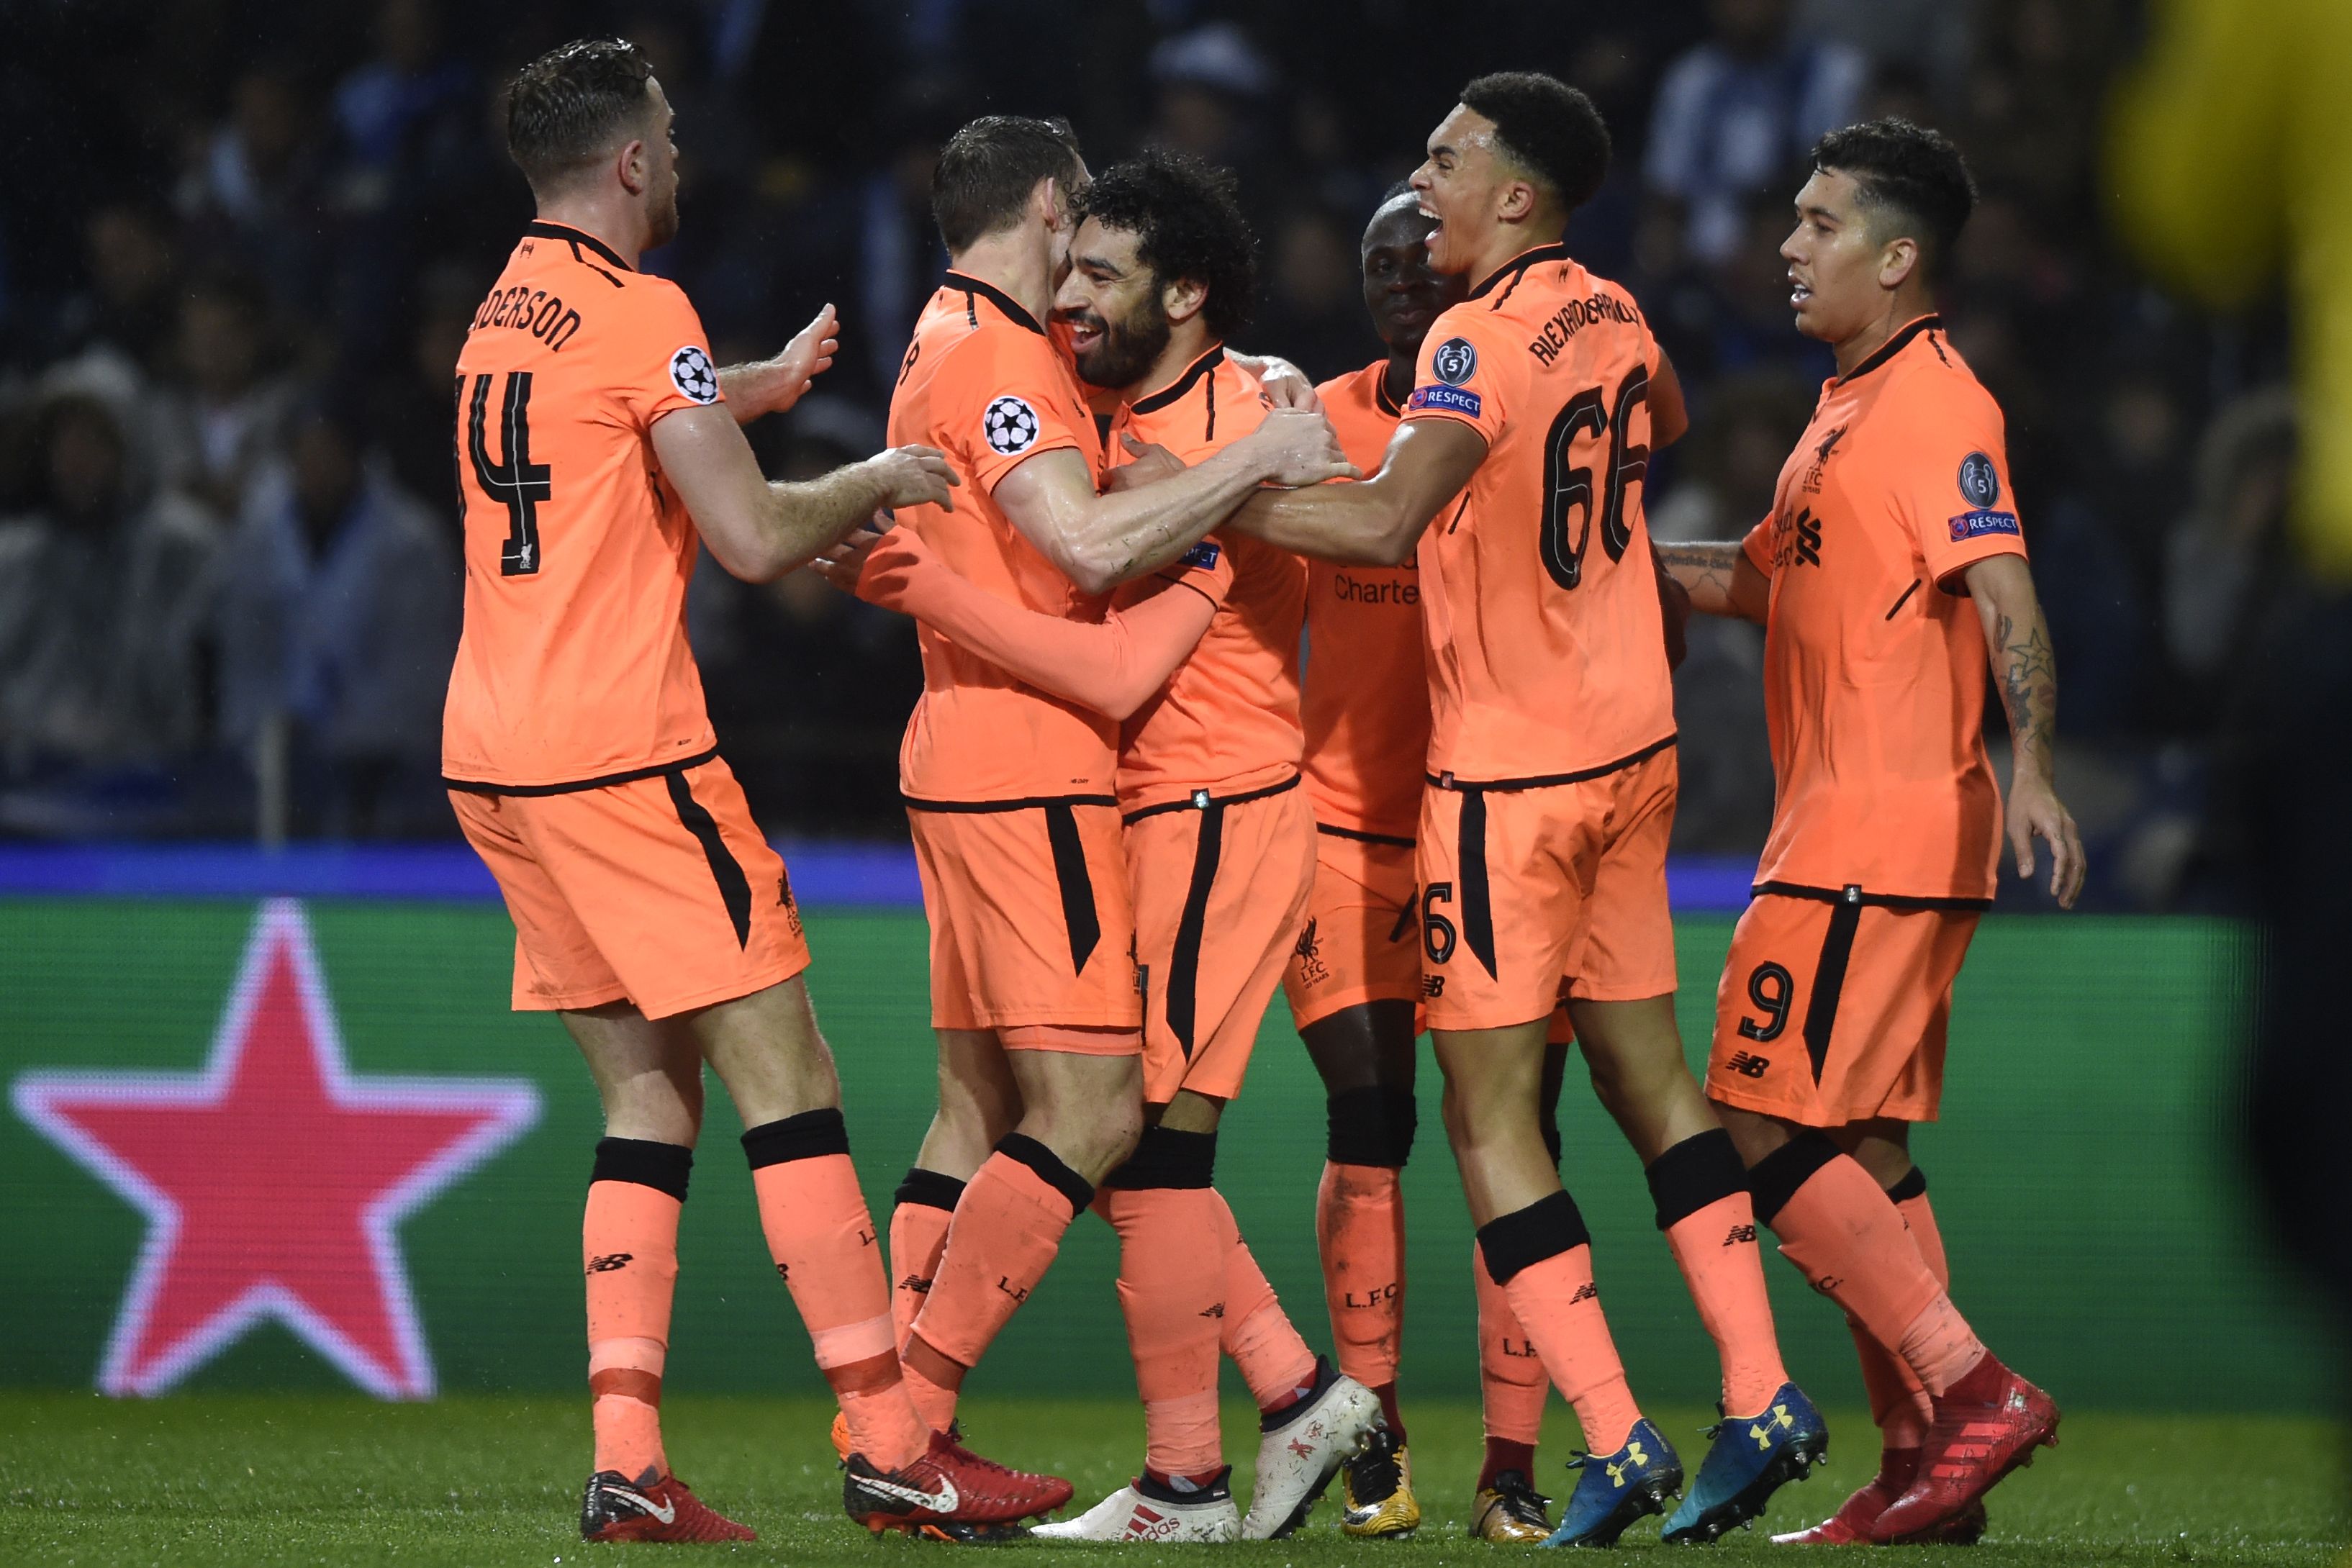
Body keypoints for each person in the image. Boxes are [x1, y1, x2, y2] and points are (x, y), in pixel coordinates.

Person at [438, 39, 1062, 1544]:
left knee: (646, 1102)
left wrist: (748, 385)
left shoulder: (502, 310)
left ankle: (625, 1457)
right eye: (667, 135)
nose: (682, 156)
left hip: (493, 754)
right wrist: (879, 468)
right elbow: (753, 541)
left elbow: (605, 434)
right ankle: (892, 1438)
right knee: (792, 1088)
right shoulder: (642, 308)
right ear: (633, 163)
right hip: (621, 751)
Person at [1224, 73, 1827, 1546]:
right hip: (1636, 750)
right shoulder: (1617, 314)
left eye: (1446, 156)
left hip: (1508, 774)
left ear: (1516, 194)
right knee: (1648, 1083)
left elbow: (1377, 518)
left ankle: (1612, 1436)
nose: (1419, 177)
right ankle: (1757, 1391)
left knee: (1488, 1115)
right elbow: (1650, 431)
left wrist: (1207, 494)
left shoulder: (1466, 342)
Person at [841, 115, 1352, 1478]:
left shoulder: (984, 349)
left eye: (1110, 275)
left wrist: (1275, 420)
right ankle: (925, 1430)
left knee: (1038, 1118)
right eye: (1082, 257)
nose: (1078, 295)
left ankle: (1254, 1420)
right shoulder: (1025, 366)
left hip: (1168, 793)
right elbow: (1083, 553)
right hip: (1047, 776)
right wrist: (1249, 473)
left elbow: (1339, 470)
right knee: (1105, 1125)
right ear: (1053, 210)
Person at [1654, 118, 2082, 1544]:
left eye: (1819, 223)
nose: (1787, 243)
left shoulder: (1940, 406)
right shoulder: (1839, 405)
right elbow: (1770, 584)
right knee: (1867, 1152)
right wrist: (1605, 564)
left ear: (1899, 259)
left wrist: (2030, 763)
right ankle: (1921, 1472)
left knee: (1758, 1110)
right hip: (1850, 828)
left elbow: (2006, 594)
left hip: (1873, 832)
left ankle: (1969, 1392)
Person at [1277, 183, 1561, 1544]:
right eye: (1380, 258)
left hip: (1491, 821)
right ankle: (1373, 1439)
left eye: (1422, 254)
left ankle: (1511, 1465)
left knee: (1511, 1136)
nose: (1402, 274)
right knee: (1371, 1127)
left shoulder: (1510, 414)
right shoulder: (1309, 422)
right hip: (1334, 827)